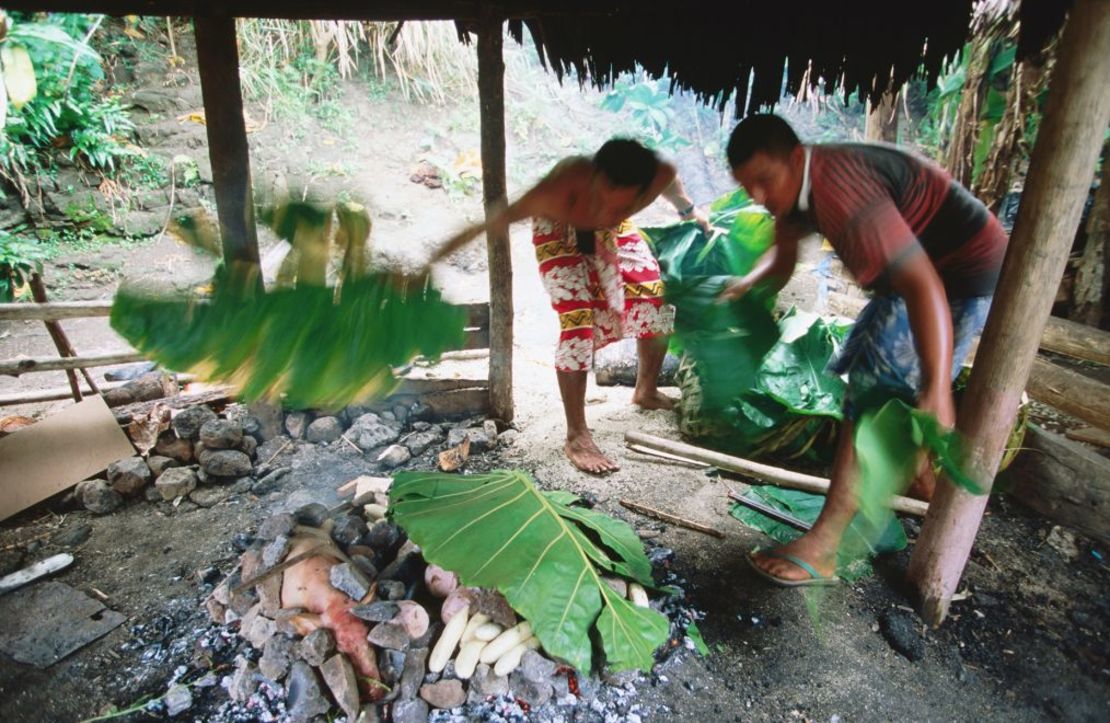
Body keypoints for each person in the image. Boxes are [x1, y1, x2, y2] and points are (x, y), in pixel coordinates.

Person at [720, 114, 1008, 586]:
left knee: (873, 392)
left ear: (796, 158)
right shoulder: (797, 188)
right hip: (923, 273)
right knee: (867, 365)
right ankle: (921, 476)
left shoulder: (839, 189)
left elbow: (923, 284)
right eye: (747, 186)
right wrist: (745, 287)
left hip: (958, 271)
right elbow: (785, 255)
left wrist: (937, 388)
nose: (758, 196)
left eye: (764, 181)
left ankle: (825, 546)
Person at [431, 138, 709, 474]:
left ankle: (645, 390)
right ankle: (577, 435)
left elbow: (674, 188)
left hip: (611, 233)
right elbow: (486, 223)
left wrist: (691, 214)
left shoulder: (658, 174)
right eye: (605, 202)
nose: (611, 210)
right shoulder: (557, 190)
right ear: (593, 180)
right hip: (559, 229)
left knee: (653, 297)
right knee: (579, 323)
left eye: (623, 207)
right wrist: (428, 263)